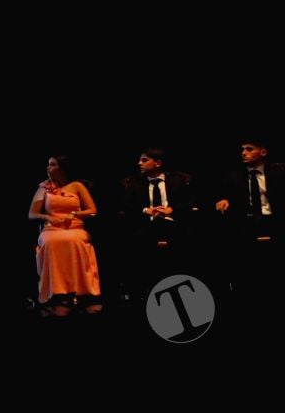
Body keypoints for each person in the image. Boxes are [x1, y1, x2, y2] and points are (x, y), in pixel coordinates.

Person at [118, 146, 196, 299]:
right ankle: (141, 291)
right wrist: (145, 210)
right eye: (140, 160)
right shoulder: (134, 183)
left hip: (174, 223)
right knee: (137, 239)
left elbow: (190, 202)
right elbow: (126, 205)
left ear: (158, 163)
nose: (139, 163)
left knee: (187, 238)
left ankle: (186, 288)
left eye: (144, 160)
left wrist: (171, 210)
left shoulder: (178, 180)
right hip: (147, 224)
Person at [28, 155, 101, 315]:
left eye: (52, 165)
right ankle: (56, 291)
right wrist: (47, 217)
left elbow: (92, 210)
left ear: (62, 168)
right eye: (48, 165)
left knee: (76, 240)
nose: (48, 168)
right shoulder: (44, 188)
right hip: (52, 229)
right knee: (51, 242)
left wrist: (74, 214)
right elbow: (32, 214)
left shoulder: (77, 186)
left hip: (74, 227)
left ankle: (81, 291)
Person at [213, 135, 282, 296]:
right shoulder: (234, 176)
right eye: (242, 150)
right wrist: (223, 200)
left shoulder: (279, 172)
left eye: (249, 149)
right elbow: (224, 195)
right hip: (247, 223)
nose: (243, 153)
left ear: (263, 152)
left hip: (274, 221)